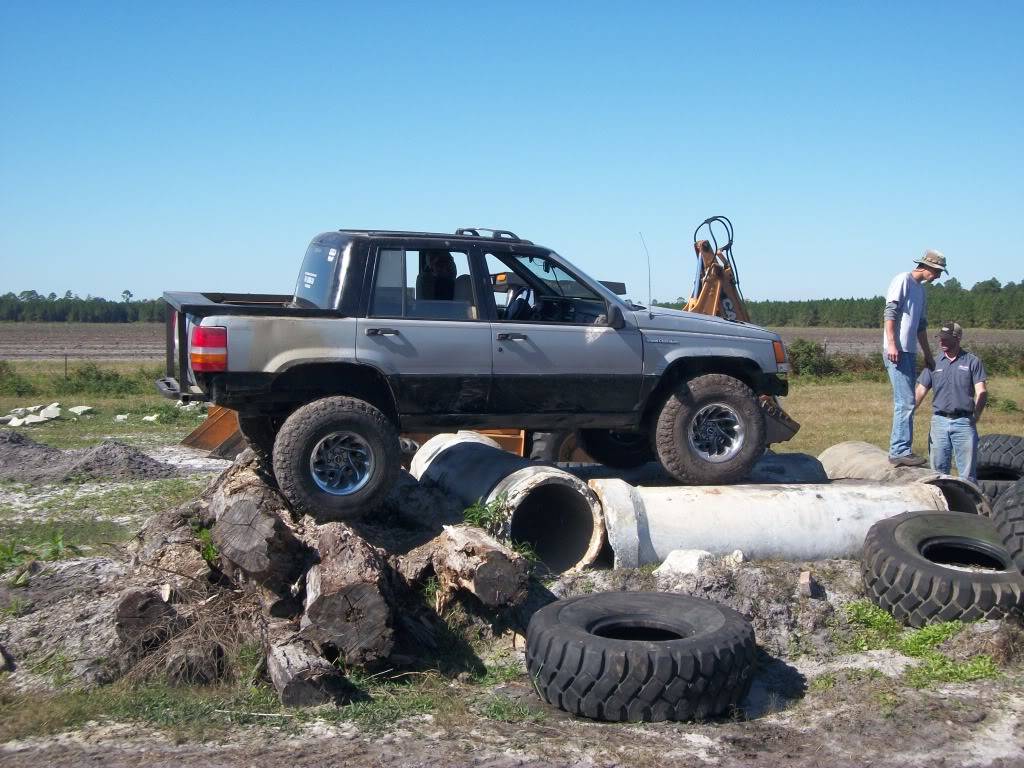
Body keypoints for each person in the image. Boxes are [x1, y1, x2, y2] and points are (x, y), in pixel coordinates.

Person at [882, 250, 945, 466]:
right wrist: (892, 343)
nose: (937, 277)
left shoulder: (921, 291)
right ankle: (899, 451)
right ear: (926, 267)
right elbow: (890, 312)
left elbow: (920, 326)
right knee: (906, 401)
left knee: (908, 400)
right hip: (896, 351)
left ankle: (902, 448)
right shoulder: (903, 280)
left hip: (909, 351)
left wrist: (927, 354)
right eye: (937, 272)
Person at [914, 322, 988, 482]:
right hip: (939, 422)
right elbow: (920, 390)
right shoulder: (934, 362)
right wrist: (908, 412)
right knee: (937, 473)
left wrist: (976, 416)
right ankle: (940, 505)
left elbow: (981, 391)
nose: (941, 342)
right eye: (940, 338)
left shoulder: (972, 362)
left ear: (958, 338)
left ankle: (968, 505)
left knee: (967, 475)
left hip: (964, 422)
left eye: (946, 339)